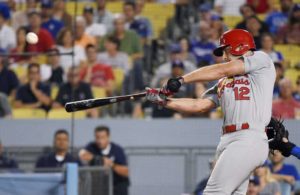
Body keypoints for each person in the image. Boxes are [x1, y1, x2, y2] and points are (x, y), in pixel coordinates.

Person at [146, 29, 276, 194]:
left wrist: (182, 79)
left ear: (240, 46)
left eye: (226, 50)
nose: (224, 56)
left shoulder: (260, 59)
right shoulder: (224, 81)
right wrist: (163, 101)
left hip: (248, 137)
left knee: (214, 192)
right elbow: (199, 105)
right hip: (228, 140)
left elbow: (222, 69)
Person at [79, 126, 129, 195]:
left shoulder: (117, 150)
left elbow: (126, 172)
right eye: (97, 137)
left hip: (117, 187)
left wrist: (111, 165)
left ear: (108, 137)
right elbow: (82, 155)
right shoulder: (92, 147)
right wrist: (100, 159)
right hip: (99, 188)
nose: (99, 141)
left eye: (102, 137)